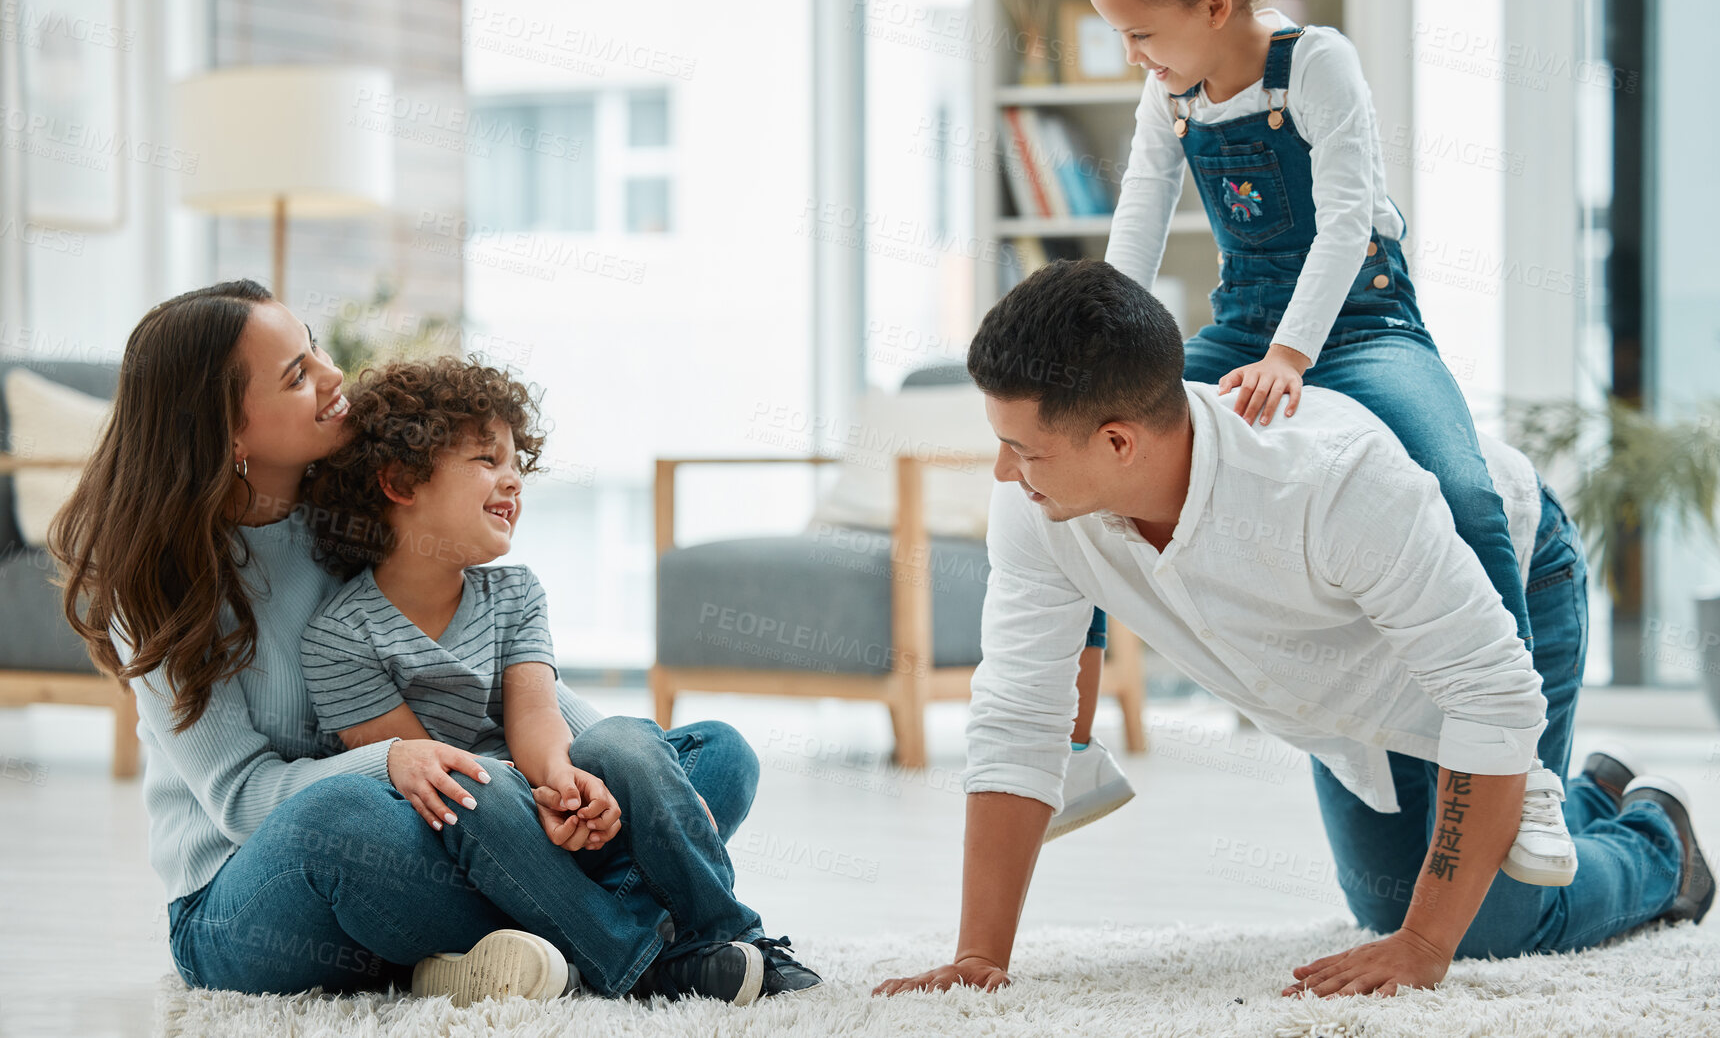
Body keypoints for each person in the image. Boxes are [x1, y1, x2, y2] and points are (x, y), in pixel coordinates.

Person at [874, 261, 1711, 1001]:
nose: (1001, 471)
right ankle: (1590, 792)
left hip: (1510, 589)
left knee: (1487, 928)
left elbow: (1489, 693)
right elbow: (1021, 714)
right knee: (1389, 901)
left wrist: (1426, 947)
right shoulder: (1039, 503)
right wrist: (978, 954)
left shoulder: (1330, 481)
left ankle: (1657, 838)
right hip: (1343, 681)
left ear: (1119, 440)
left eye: (1020, 449)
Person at [46, 281, 803, 1007]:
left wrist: (583, 777)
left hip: (457, 821)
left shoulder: (351, 509)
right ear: (227, 426)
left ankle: (493, 951)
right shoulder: (154, 585)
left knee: (703, 758)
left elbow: (506, 670)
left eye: (314, 350)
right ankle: (638, 949)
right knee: (348, 822)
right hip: (262, 887)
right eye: (296, 374)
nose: (332, 375)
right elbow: (242, 801)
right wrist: (393, 759)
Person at [1050, 0, 1545, 852]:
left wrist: (1292, 355)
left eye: (1141, 33)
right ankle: (1064, 744)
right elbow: (1140, 214)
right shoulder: (1173, 95)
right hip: (1243, 319)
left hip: (1362, 322)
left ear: (1216, 5)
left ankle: (1524, 775)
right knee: (1076, 462)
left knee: (1465, 488)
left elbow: (1348, 220)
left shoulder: (1315, 66)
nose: (1132, 58)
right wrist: (1092, 356)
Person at [298, 355, 821, 1004]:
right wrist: (533, 805)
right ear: (402, 481)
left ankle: (727, 935)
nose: (513, 480)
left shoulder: (515, 593)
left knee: (685, 748)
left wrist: (568, 786)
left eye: (518, 464)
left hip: (554, 820)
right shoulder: (342, 635)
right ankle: (639, 958)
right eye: (487, 461)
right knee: (468, 787)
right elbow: (422, 775)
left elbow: (535, 716)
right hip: (469, 842)